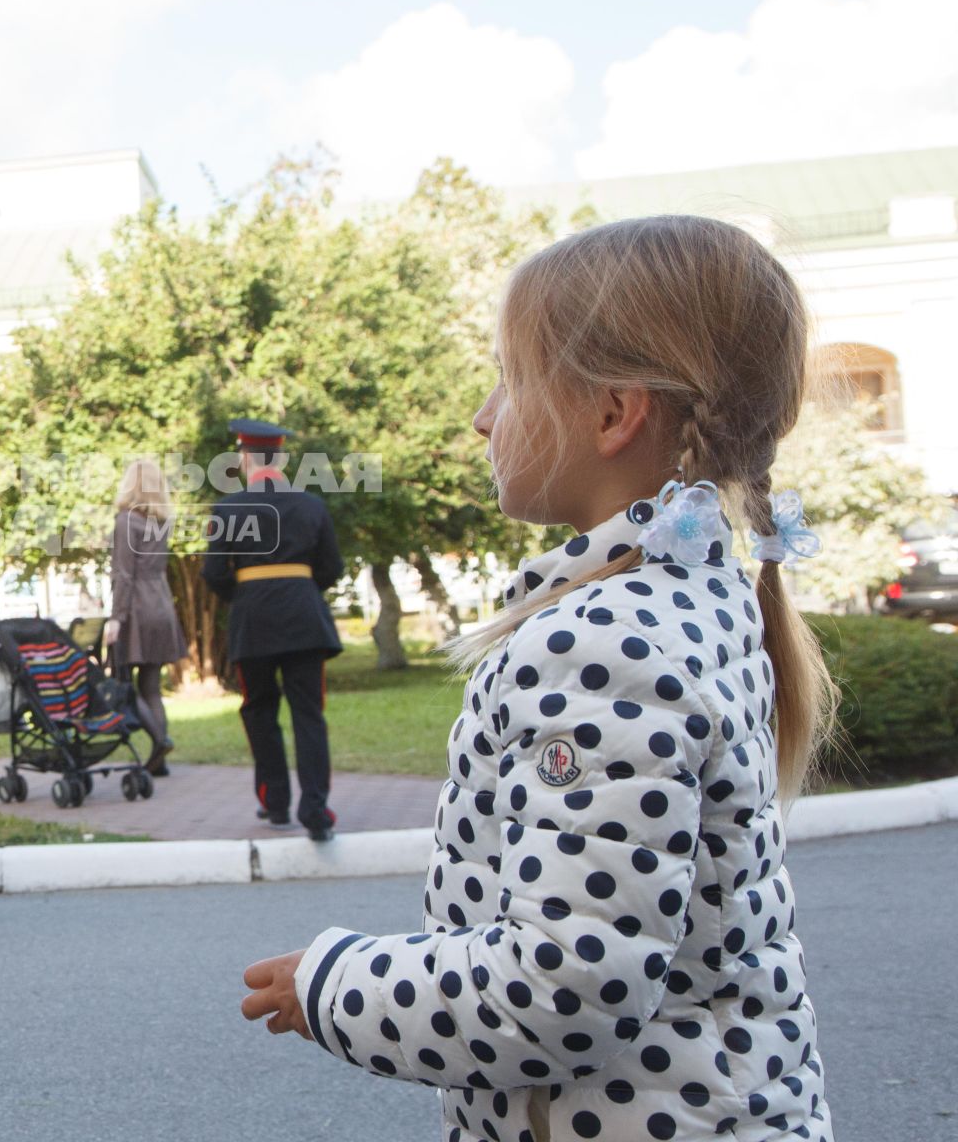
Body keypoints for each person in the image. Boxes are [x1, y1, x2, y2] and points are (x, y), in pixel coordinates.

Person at [241, 216, 836, 1140]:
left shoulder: (604, 641)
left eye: (512, 379)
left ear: (612, 413)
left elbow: (568, 985)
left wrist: (332, 983)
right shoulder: (700, 597)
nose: (484, 414)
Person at [202, 419, 345, 839]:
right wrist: (299, 591)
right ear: (281, 458)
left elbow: (213, 574)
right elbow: (331, 568)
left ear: (244, 458)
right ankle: (315, 810)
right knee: (309, 715)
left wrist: (247, 598)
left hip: (254, 624)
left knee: (260, 712)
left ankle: (276, 804)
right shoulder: (312, 505)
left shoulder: (227, 509)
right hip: (305, 621)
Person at [105, 457, 186, 774]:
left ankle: (160, 742)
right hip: (161, 605)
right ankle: (159, 758)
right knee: (151, 686)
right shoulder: (161, 521)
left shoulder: (126, 521)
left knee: (126, 685)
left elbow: (124, 574)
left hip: (136, 610)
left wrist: (115, 618)